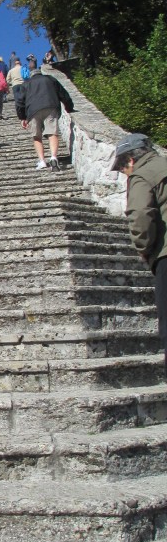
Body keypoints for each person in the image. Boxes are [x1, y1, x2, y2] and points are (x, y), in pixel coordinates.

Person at [112, 133, 167, 377]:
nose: (124, 173)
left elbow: (141, 215)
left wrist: (144, 249)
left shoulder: (142, 174)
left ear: (130, 161)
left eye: (122, 167)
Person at [22, 63, 74, 170]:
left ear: (30, 74)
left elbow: (20, 102)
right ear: (40, 71)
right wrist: (69, 107)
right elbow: (63, 93)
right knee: (52, 133)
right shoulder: (50, 79)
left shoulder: (26, 84)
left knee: (37, 136)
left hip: (33, 111)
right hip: (51, 107)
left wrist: (22, 116)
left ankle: (42, 161)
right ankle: (54, 157)